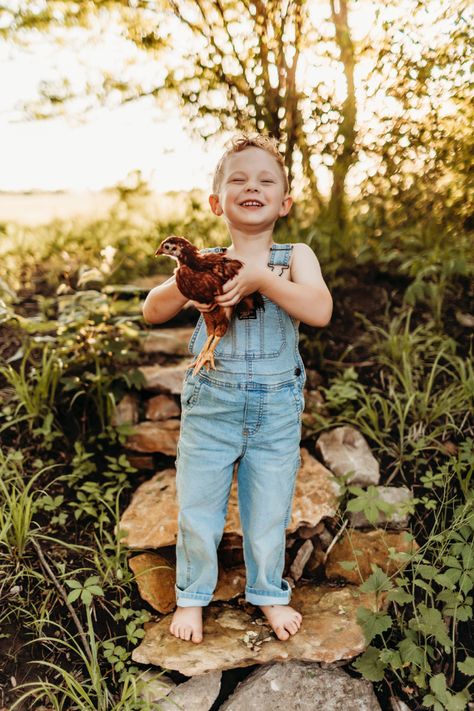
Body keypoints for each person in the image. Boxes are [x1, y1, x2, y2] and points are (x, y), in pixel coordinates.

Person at [142, 133, 332, 644]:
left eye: (266, 180)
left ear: (285, 202)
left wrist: (262, 280)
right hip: (212, 406)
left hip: (276, 411)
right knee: (199, 504)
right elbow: (151, 311)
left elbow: (319, 310)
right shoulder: (203, 260)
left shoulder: (295, 257)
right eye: (239, 180)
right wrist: (188, 281)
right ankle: (191, 596)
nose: (253, 186)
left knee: (269, 508)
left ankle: (269, 592)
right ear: (216, 201)